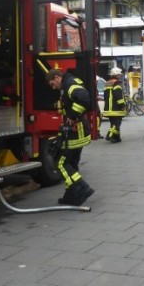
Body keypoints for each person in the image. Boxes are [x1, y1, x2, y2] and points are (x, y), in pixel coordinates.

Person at [45, 69, 95, 206]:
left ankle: (81, 188)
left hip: (75, 131)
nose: (53, 87)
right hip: (78, 131)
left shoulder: (69, 84)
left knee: (60, 162)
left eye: (52, 83)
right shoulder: (69, 83)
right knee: (71, 164)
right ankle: (71, 196)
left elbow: (84, 98)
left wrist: (72, 116)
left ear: (57, 77)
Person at [103, 67, 126, 143]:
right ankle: (109, 136)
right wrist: (122, 105)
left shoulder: (108, 83)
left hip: (109, 108)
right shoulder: (117, 84)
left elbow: (105, 96)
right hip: (116, 108)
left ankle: (116, 138)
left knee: (113, 123)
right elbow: (119, 96)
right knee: (117, 123)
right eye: (119, 74)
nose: (120, 75)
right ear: (116, 75)